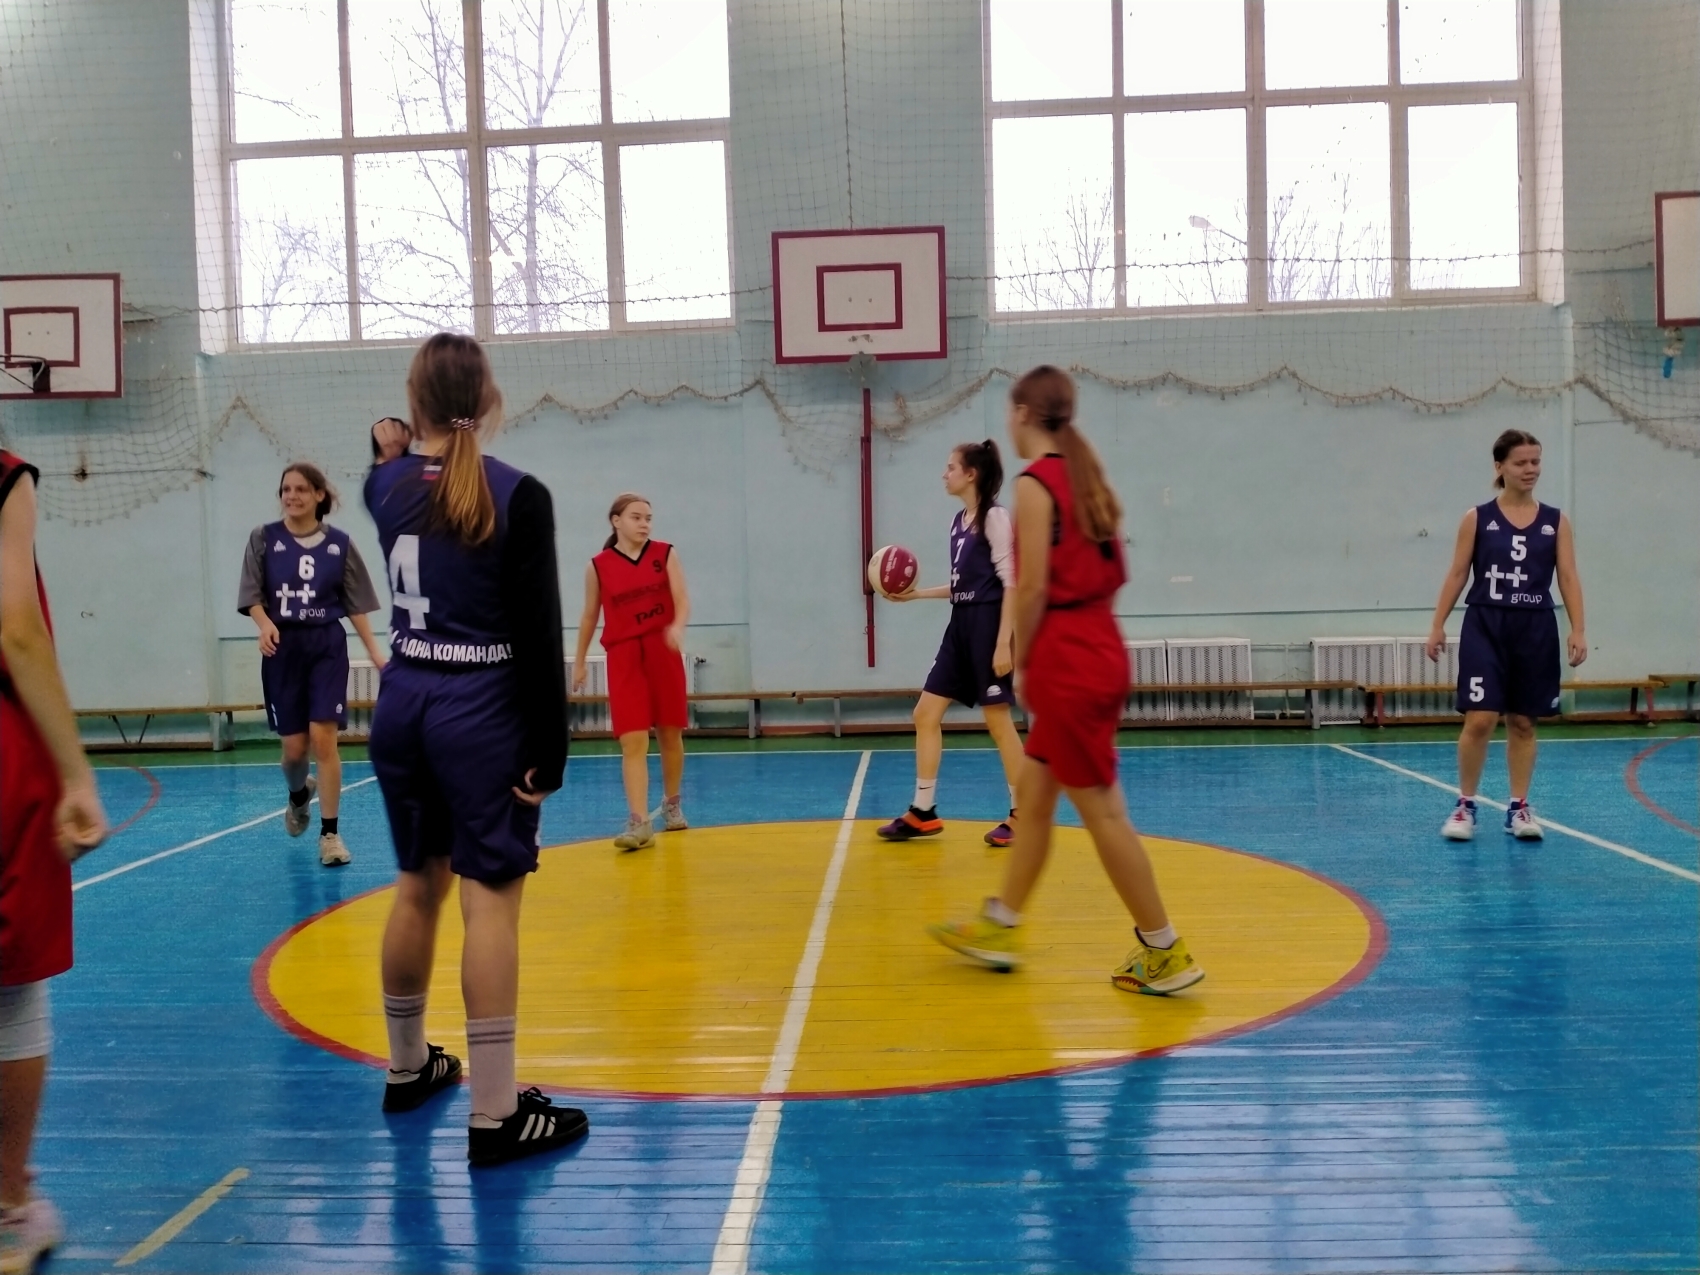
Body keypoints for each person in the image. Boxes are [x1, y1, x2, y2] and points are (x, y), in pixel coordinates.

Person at [365, 333, 583, 1167]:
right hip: (480, 709)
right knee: (489, 903)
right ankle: (495, 1112)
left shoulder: (383, 484)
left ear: (412, 401)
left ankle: (407, 1065)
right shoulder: (518, 493)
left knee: (416, 887)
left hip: (404, 701)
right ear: (490, 400)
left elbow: (397, 471)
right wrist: (549, 748)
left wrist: (393, 446)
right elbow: (538, 631)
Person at [929, 366, 1203, 996]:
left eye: (1010, 410)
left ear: (1025, 413)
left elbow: (1030, 589)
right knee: (1036, 798)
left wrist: (1022, 660)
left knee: (1104, 813)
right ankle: (1001, 923)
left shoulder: (1035, 484)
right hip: (1098, 644)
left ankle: (1165, 949)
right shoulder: (1085, 475)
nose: (1008, 421)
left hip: (1070, 658)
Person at [0, 449, 108, 1275]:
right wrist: (76, 771)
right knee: (13, 986)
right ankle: (8, 1206)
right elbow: (16, 629)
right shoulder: (5, 477)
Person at [1427, 428, 1587, 841]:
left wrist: (1578, 628)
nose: (1530, 469)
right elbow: (1458, 573)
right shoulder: (1477, 518)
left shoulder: (1556, 521)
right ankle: (1465, 805)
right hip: (1487, 624)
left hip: (1535, 627)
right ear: (1500, 467)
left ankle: (1519, 807)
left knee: (1522, 721)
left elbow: (1568, 576)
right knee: (1480, 718)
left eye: (1536, 461)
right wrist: (1437, 624)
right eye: (1521, 462)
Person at [878, 440, 1025, 847]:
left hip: (988, 626)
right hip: (960, 626)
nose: (944, 475)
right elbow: (963, 586)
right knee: (925, 714)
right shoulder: (958, 522)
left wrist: (1003, 643)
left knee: (998, 722)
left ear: (971, 474)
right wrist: (916, 595)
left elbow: (1010, 583)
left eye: (951, 468)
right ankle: (923, 811)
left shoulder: (995, 517)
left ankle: (1023, 814)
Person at [239, 462, 386, 867]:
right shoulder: (264, 538)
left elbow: (355, 606)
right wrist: (265, 624)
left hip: (325, 647)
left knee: (324, 741)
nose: (292, 496)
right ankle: (299, 794)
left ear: (319, 495)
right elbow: (252, 595)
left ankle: (330, 835)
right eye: (286, 489)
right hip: (283, 650)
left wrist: (376, 653)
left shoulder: (339, 545)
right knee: (293, 752)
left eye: (301, 489)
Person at [572, 493, 691, 852]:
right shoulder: (598, 566)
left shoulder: (665, 553)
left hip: (662, 649)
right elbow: (589, 615)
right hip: (623, 654)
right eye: (636, 517)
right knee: (632, 739)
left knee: (670, 733)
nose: (644, 524)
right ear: (616, 521)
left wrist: (677, 627)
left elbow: (682, 599)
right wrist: (580, 661)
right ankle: (639, 821)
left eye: (648, 518)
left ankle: (672, 803)